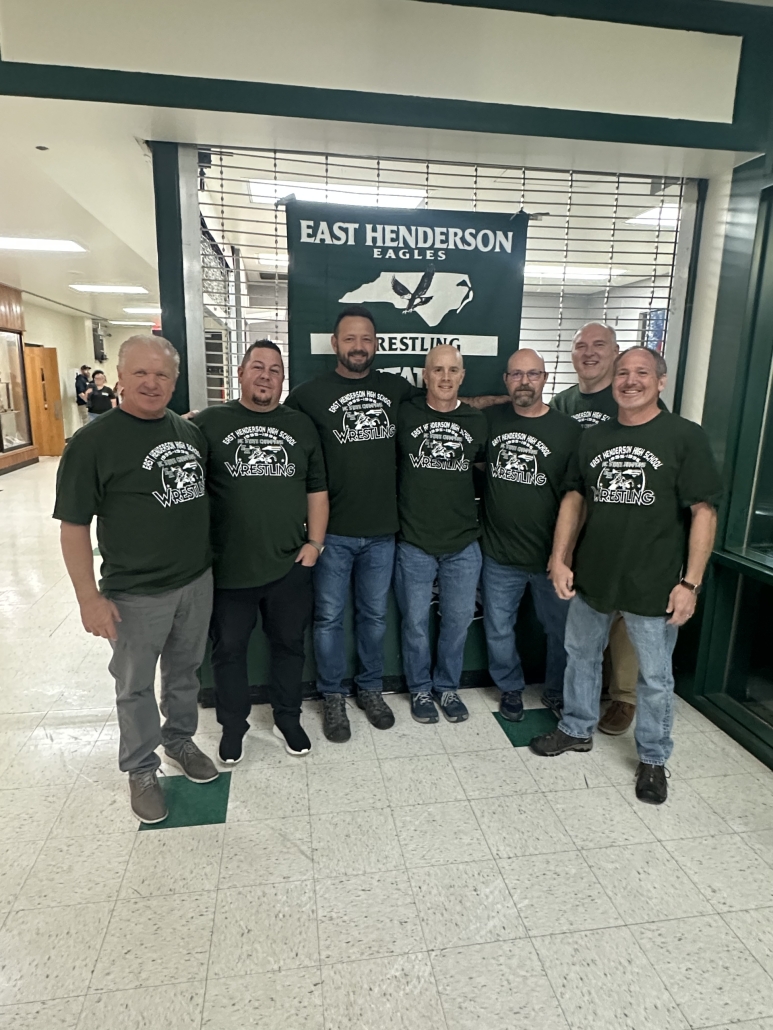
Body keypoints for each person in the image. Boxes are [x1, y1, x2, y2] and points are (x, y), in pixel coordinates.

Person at [530, 347, 721, 805]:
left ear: (661, 381)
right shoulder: (594, 437)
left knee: (655, 678)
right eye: (623, 373)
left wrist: (690, 582)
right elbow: (574, 498)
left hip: (654, 582)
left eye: (641, 373)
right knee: (581, 656)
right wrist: (560, 558)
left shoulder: (684, 437)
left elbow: (703, 512)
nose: (629, 381)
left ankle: (653, 759)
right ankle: (576, 728)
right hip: (593, 576)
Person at [53, 335, 218, 825]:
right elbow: (73, 526)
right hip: (134, 593)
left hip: (195, 581)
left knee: (185, 674)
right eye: (140, 374)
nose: (151, 383)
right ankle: (141, 768)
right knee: (135, 687)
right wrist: (88, 598)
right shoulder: (93, 443)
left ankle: (180, 741)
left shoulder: (187, 434)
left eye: (162, 375)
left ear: (174, 381)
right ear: (119, 378)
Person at [193, 340, 328, 763]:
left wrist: (315, 544)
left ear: (282, 379)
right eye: (257, 366)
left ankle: (288, 718)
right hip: (229, 568)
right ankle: (233, 727)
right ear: (240, 373)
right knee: (229, 652)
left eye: (274, 369)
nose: (266, 375)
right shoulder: (209, 423)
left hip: (290, 563)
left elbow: (317, 490)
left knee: (289, 647)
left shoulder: (301, 425)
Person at [552, 323, 648, 735]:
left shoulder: (630, 399)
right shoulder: (563, 402)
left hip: (625, 522)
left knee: (626, 613)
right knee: (584, 616)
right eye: (580, 347)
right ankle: (581, 699)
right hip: (577, 520)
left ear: (616, 353)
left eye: (599, 346)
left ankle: (623, 697)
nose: (588, 353)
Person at [481, 348, 581, 722]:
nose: (525, 381)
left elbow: (577, 498)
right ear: (506, 380)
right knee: (497, 628)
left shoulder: (568, 431)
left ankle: (556, 691)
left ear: (545, 378)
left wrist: (565, 555)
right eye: (517, 375)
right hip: (498, 554)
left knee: (561, 632)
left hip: (550, 558)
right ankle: (510, 688)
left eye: (533, 374)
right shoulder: (490, 419)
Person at [394, 345, 487, 724]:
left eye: (452, 370)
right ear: (425, 375)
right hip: (414, 541)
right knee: (415, 624)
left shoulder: (477, 421)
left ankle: (446, 688)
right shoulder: (405, 414)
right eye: (437, 370)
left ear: (462, 376)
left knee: (457, 621)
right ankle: (419, 690)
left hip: (463, 543)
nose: (445, 377)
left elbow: (483, 470)